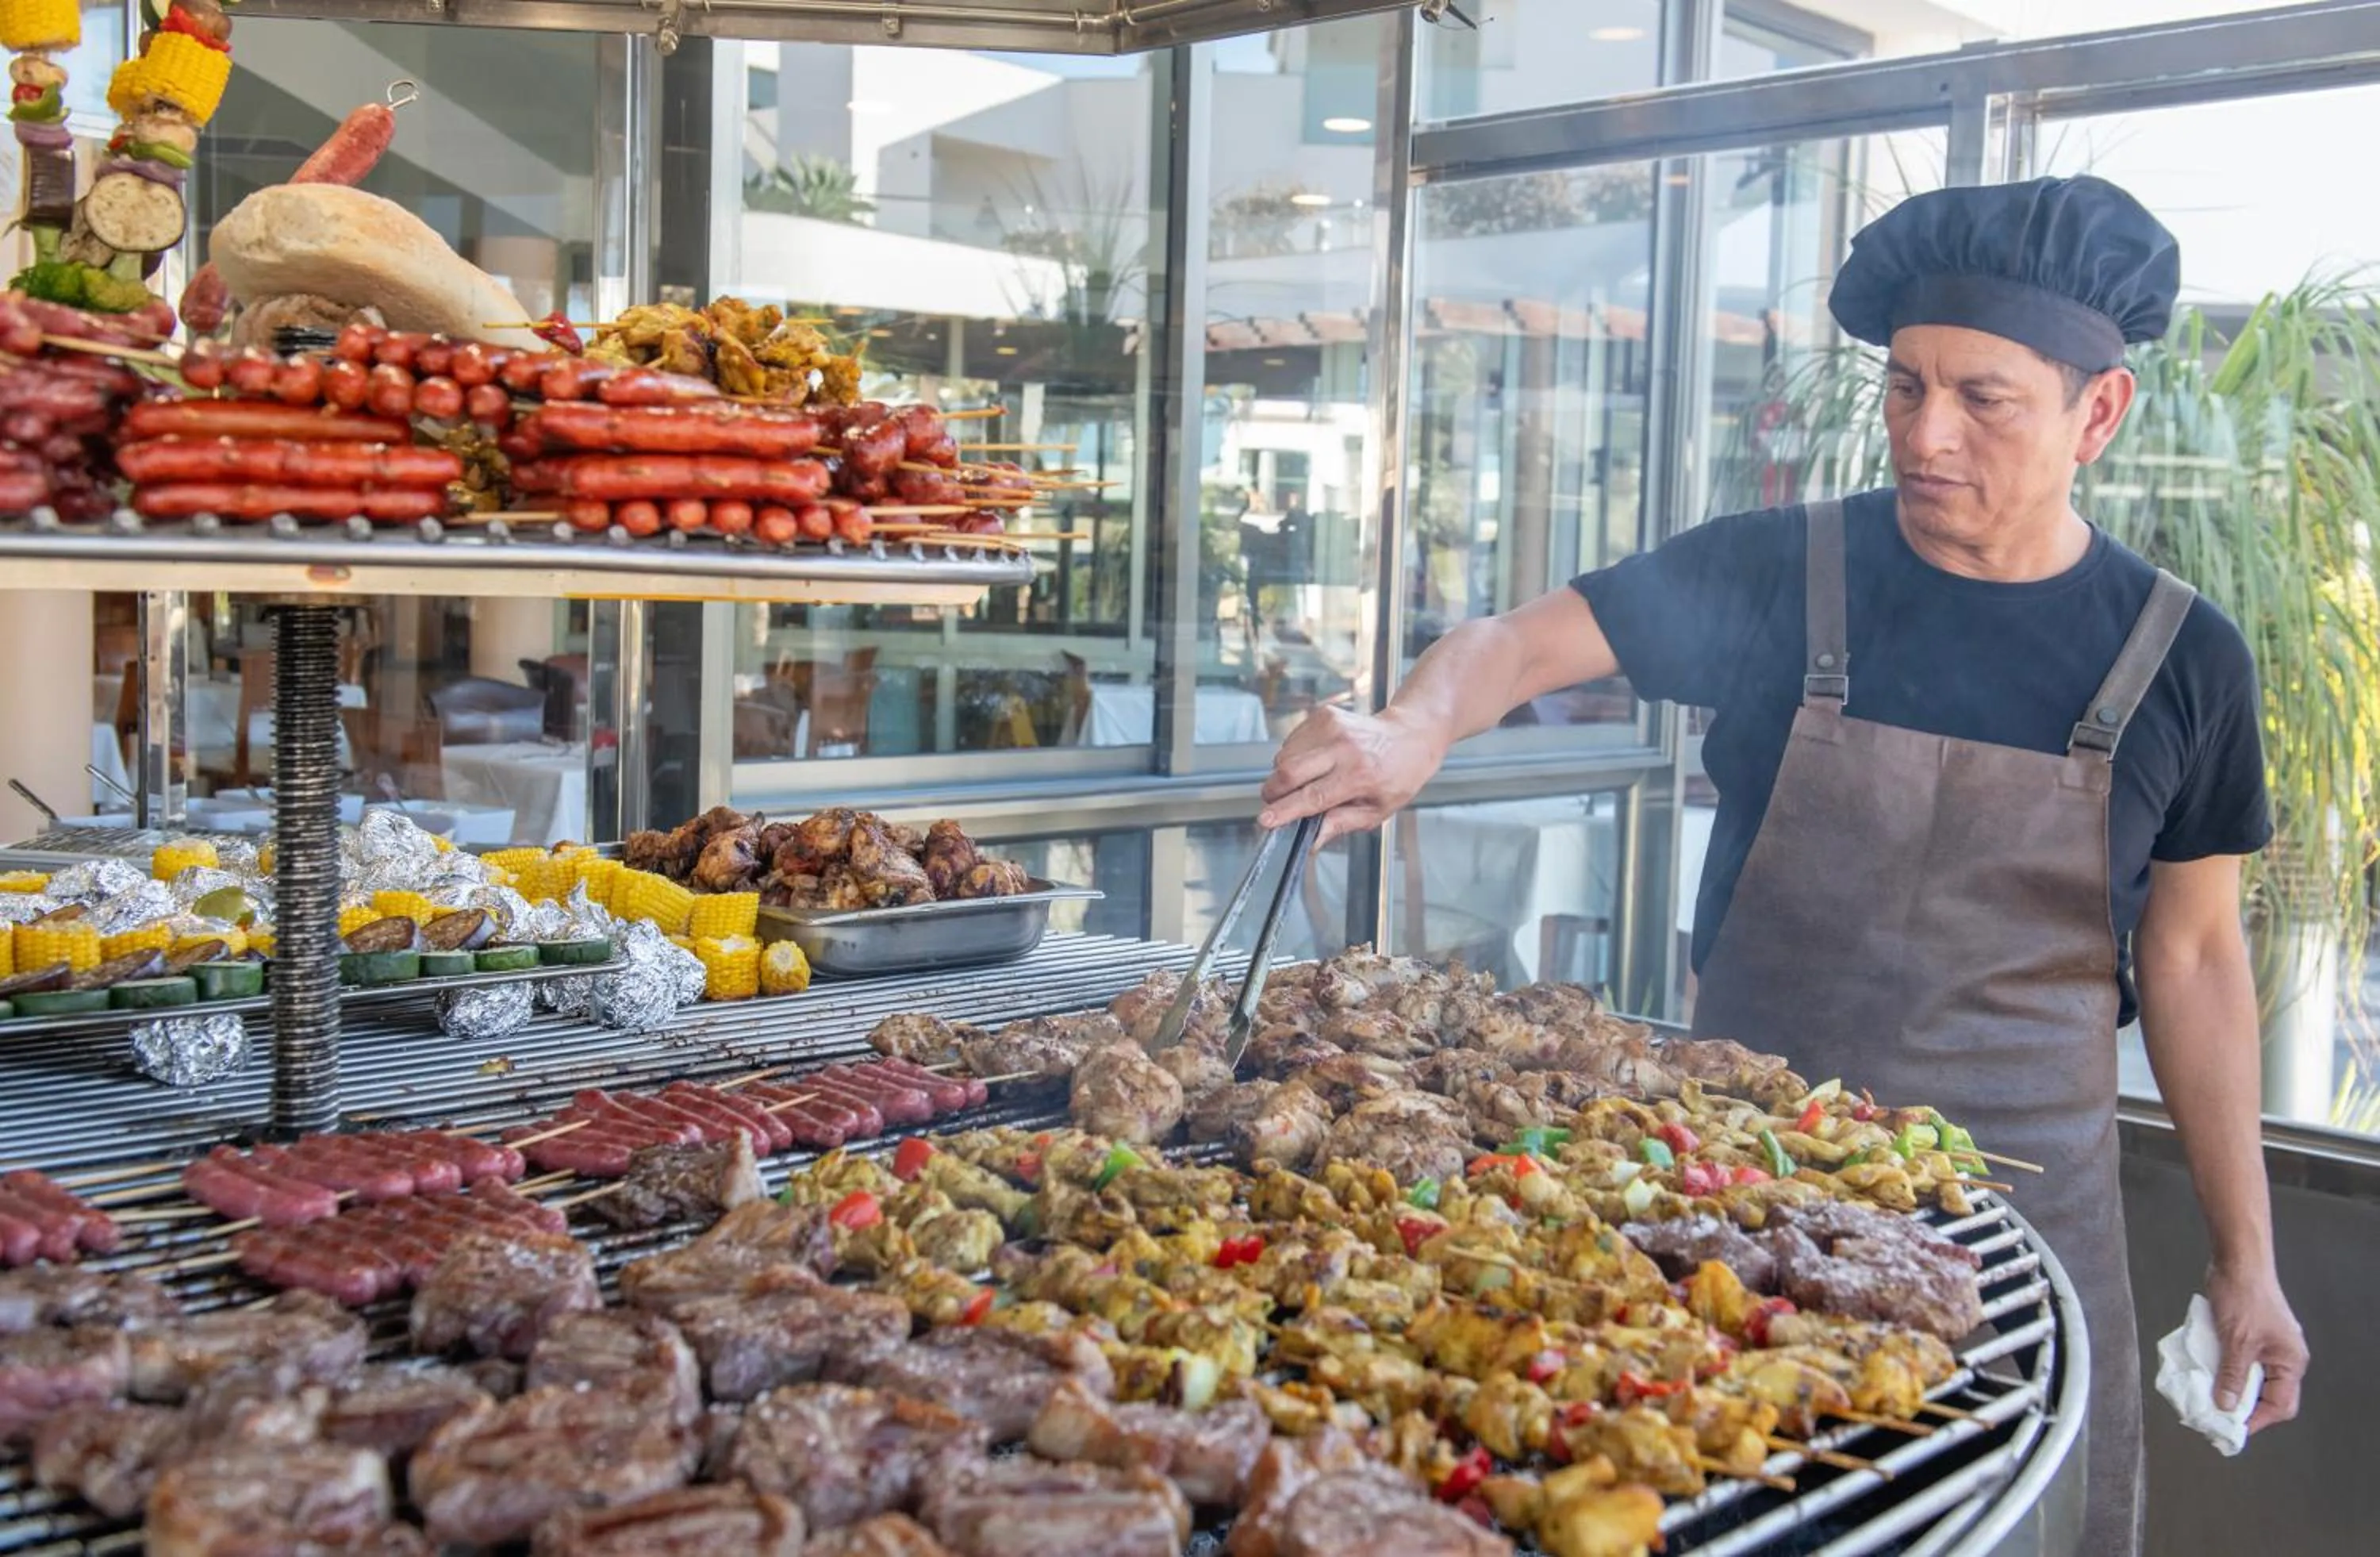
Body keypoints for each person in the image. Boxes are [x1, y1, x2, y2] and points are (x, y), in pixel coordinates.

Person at [1257, 175, 2306, 1555]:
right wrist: (1410, 725)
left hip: (2024, 1239)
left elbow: (2195, 958)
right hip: (1724, 1224)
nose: (1926, 437)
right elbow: (1517, 644)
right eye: (1906, 387)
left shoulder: (2182, 659)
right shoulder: (1785, 575)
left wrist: (2249, 1260)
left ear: (2096, 413)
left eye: (1983, 399)